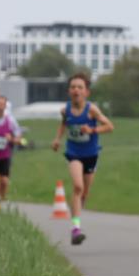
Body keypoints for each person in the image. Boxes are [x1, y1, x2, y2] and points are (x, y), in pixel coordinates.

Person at [51, 72, 114, 245]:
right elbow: (64, 123)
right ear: (69, 91)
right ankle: (75, 229)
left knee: (84, 193)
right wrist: (57, 139)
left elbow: (109, 126)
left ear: (87, 92)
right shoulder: (65, 110)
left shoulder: (92, 110)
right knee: (77, 187)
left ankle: (76, 218)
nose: (76, 90)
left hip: (91, 154)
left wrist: (92, 130)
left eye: (80, 87)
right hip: (74, 153)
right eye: (73, 87)